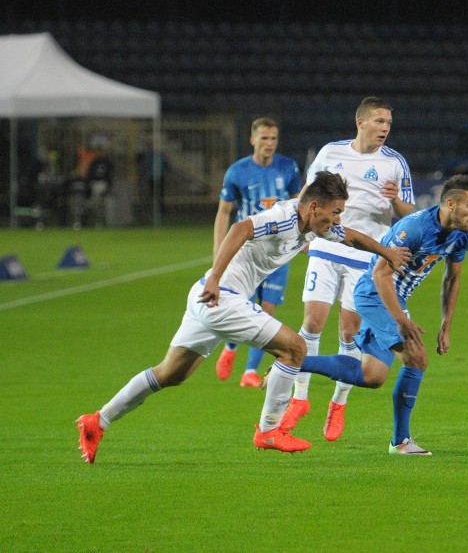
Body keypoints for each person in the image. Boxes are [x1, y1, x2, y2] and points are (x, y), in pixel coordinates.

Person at [76, 171, 411, 464]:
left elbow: (351, 236)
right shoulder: (283, 217)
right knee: (295, 347)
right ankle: (268, 430)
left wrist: (387, 252)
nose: (337, 219)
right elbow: (239, 229)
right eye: (335, 212)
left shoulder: (313, 228)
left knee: (170, 374)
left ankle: (98, 421)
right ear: (313, 207)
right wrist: (215, 278)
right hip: (221, 297)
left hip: (207, 300)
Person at [296, 174, 468, 455]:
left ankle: (294, 361)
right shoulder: (414, 227)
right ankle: (400, 442)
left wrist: (446, 325)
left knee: (372, 376)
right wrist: (401, 319)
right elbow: (380, 274)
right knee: (417, 358)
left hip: (395, 299)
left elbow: (452, 279)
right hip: (375, 294)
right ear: (451, 203)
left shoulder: (462, 235)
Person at [280, 96, 416, 441]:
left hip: (365, 256)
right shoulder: (330, 153)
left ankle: (338, 403)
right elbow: (306, 195)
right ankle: (299, 398)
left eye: (388, 122)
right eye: (379, 121)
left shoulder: (395, 163)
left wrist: (395, 201)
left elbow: (409, 214)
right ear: (361, 122)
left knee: (348, 332)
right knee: (311, 321)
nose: (384, 128)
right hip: (326, 247)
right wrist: (300, 233)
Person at [213, 117, 302, 387]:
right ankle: (230, 348)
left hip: (277, 249)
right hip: (246, 249)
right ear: (252, 140)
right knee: (243, 305)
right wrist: (219, 252)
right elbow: (224, 212)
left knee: (268, 308)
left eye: (273, 138)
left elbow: (299, 204)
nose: (269, 144)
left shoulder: (288, 167)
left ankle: (249, 371)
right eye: (264, 138)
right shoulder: (237, 171)